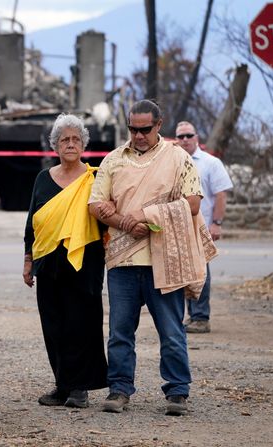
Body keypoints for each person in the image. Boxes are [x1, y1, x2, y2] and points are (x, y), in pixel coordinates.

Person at [88, 100, 217, 416]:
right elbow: (96, 204)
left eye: (144, 129)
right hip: (123, 260)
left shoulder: (178, 158)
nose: (138, 135)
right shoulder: (114, 159)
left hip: (165, 256)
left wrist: (147, 218)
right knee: (120, 332)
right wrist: (126, 223)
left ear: (159, 125)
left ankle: (177, 392)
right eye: (133, 128)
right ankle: (119, 390)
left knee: (172, 331)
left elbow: (193, 204)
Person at [23, 114, 108, 409]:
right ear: (55, 146)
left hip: (86, 260)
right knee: (54, 324)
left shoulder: (95, 178)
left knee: (81, 322)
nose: (70, 144)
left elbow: (105, 219)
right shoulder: (42, 178)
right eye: (64, 140)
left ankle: (80, 388)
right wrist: (28, 259)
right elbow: (32, 221)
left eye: (75, 139)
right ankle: (62, 385)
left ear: (83, 144)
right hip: (47, 260)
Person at [175, 121, 233, 334]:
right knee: (178, 273)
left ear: (196, 137)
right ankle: (181, 318)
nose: (185, 140)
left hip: (201, 227)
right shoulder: (172, 162)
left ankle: (200, 318)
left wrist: (216, 223)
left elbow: (220, 195)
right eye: (180, 136)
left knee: (200, 273)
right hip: (176, 227)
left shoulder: (210, 163)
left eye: (189, 135)